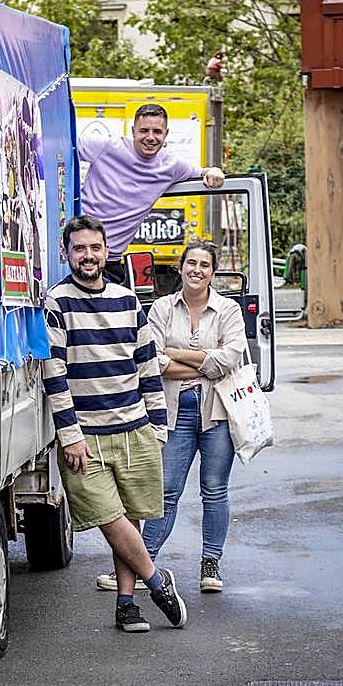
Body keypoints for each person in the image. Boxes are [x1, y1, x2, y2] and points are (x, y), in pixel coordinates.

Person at [42, 214, 188, 633]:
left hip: (135, 429)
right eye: (79, 248)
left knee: (132, 517)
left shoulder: (127, 300)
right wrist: (70, 435)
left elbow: (147, 367)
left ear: (107, 251)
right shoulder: (57, 303)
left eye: (95, 248)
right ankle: (157, 583)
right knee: (110, 517)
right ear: (66, 253)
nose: (88, 256)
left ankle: (126, 604)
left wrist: (158, 426)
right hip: (85, 437)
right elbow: (54, 374)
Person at [141, 240, 246, 592]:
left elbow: (229, 359)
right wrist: (205, 363)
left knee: (214, 490)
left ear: (213, 272)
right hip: (175, 411)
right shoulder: (162, 308)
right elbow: (152, 359)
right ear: (181, 267)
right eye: (191, 263)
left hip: (217, 412)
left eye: (204, 265)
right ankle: (144, 563)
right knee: (166, 491)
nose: (196, 270)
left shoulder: (228, 310)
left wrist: (175, 354)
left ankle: (210, 565)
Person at [79, 102, 225, 284]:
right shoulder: (106, 146)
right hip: (79, 251)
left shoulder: (171, 165)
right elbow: (60, 147)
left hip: (111, 260)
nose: (150, 137)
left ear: (166, 134)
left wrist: (214, 171)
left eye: (157, 132)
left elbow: (202, 172)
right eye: (144, 131)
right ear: (133, 131)